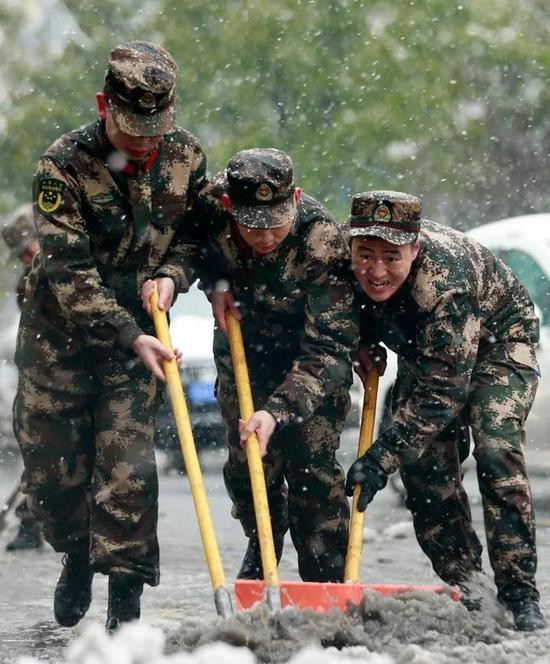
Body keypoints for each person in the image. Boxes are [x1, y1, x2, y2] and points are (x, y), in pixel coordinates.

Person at [13, 41, 206, 631]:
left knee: (129, 472)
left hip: (138, 346)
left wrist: (172, 279)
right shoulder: (63, 165)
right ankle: (75, 553)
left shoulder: (186, 157)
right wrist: (128, 333)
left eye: (157, 127)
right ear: (104, 105)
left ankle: (126, 597)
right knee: (53, 479)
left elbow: (196, 238)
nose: (146, 142)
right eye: (132, 128)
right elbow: (67, 269)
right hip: (60, 342)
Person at [346, 190, 545, 631]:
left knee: (496, 452)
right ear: (351, 245)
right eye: (366, 255)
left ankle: (519, 594)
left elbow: (442, 394)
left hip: (499, 344)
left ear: (414, 250)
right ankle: (470, 586)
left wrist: (380, 457)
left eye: (391, 258)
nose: (376, 271)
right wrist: (358, 337)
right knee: (423, 471)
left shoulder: (444, 282)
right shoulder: (340, 261)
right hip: (429, 353)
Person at [186, 148, 358, 581]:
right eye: (252, 226)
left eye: (276, 223)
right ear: (229, 207)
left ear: (295, 199)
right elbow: (187, 241)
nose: (265, 238)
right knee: (248, 467)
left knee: (312, 472)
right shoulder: (209, 204)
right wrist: (216, 283)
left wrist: (277, 411)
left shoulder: (322, 243)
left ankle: (324, 574)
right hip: (243, 344)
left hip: (311, 356)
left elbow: (328, 349)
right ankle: (264, 536)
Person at [1, 204, 43, 550]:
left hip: (94, 369)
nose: (27, 259)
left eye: (30, 250)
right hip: (48, 376)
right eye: (23, 255)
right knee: (42, 446)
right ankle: (30, 519)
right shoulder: (27, 285)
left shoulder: (84, 265)